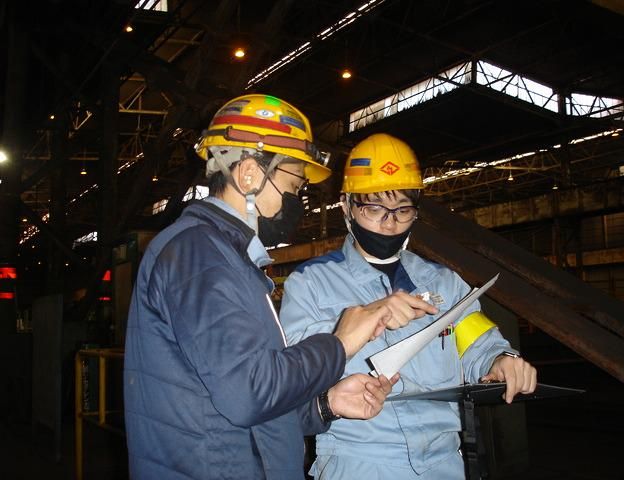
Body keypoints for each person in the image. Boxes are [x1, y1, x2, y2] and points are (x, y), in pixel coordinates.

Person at [123, 96, 430, 480]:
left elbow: (246, 392)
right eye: (293, 184)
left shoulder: (226, 258)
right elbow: (247, 394)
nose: (297, 200)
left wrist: (326, 404)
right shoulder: (199, 255)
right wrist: (340, 344)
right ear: (250, 174)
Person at [279, 133, 538, 479]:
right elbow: (296, 374)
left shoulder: (443, 282)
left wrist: (500, 359)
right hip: (359, 463)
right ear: (346, 207)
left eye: (402, 210)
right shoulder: (311, 283)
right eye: (374, 209)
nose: (389, 223)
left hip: (443, 464)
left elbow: (476, 340)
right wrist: (369, 319)